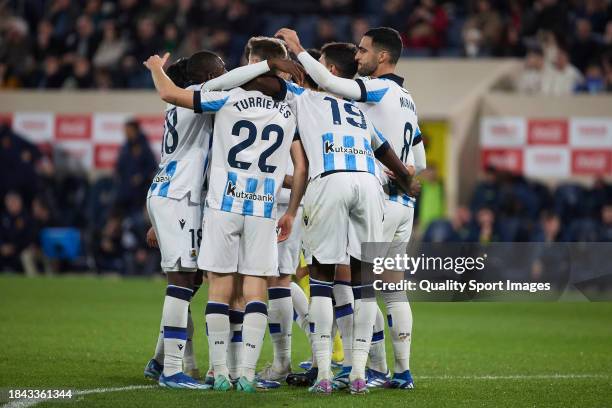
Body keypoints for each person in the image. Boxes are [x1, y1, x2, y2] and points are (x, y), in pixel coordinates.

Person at [144, 50, 307, 393]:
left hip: (186, 197)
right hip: (201, 200)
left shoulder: (204, 103)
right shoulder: (223, 97)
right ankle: (181, 368)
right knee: (191, 283)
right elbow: (299, 166)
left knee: (195, 284)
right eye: (221, 71)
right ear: (209, 78)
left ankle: (173, 362)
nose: (228, 74)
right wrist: (158, 68)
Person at [277, 26, 425, 390]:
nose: (359, 57)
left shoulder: (373, 89)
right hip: (400, 200)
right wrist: (407, 181)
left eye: (364, 50)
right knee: (390, 290)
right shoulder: (407, 99)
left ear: (383, 56)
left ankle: (358, 369)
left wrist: (296, 52)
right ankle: (400, 372)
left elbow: (331, 82)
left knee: (338, 282)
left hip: (378, 195)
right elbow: (416, 160)